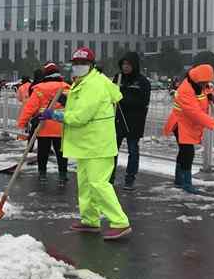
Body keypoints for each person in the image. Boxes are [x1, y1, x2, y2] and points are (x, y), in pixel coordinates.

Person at [41, 47, 131, 240]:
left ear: (91, 65)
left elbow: (81, 116)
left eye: (83, 64)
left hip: (98, 144)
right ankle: (90, 220)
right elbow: (79, 106)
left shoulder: (94, 85)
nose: (78, 67)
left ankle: (120, 222)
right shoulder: (83, 82)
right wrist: (65, 100)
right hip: (86, 143)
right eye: (76, 63)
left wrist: (55, 115)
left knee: (99, 184)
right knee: (85, 184)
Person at [163, 64, 214, 194]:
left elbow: (207, 90)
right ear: (197, 79)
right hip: (180, 124)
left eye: (207, 82)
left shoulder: (200, 84)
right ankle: (186, 182)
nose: (205, 84)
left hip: (189, 124)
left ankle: (179, 179)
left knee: (184, 152)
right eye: (204, 82)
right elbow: (194, 113)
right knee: (188, 152)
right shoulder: (185, 90)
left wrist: (210, 95)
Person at [17, 63, 70, 185]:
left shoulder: (39, 89)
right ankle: (63, 175)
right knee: (61, 153)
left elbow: (29, 108)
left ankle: (42, 174)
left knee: (43, 152)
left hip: (44, 126)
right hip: (60, 126)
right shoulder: (66, 87)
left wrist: (22, 123)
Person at [111, 52, 151, 191]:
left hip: (135, 122)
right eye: (123, 64)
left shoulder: (142, 82)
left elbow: (143, 101)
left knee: (133, 151)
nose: (125, 67)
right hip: (118, 121)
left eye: (128, 64)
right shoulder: (118, 78)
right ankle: (110, 177)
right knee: (112, 150)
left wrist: (124, 100)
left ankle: (130, 178)